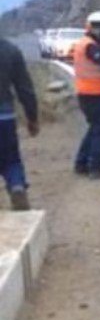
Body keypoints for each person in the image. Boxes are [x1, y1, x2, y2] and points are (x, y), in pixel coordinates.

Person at [73, 11, 100, 179]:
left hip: (93, 93)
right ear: (89, 26)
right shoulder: (89, 45)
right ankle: (95, 167)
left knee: (94, 129)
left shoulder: (88, 43)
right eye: (99, 26)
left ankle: (81, 163)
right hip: (92, 94)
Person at [0, 37, 38, 210]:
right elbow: (25, 88)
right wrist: (32, 117)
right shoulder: (10, 50)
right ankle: (17, 186)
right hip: (4, 115)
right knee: (11, 159)